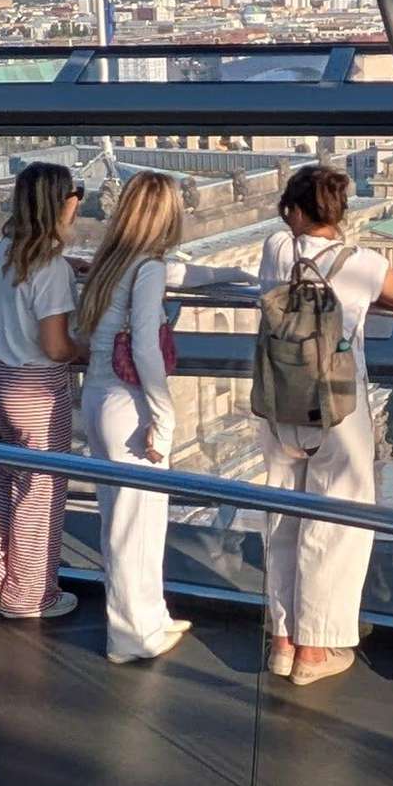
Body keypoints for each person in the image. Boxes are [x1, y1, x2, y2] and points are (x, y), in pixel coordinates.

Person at [75, 171, 254, 664]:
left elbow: (182, 276)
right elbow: (145, 348)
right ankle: (130, 635)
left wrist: (235, 274)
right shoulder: (147, 268)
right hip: (130, 403)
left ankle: (148, 616)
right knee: (137, 524)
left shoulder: (115, 261)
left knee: (124, 519)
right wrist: (165, 418)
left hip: (98, 397)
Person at [255, 166, 393, 685]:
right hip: (339, 409)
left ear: (293, 210)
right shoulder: (362, 262)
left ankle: (282, 642)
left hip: (279, 402)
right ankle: (314, 650)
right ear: (340, 212)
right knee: (335, 526)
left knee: (282, 517)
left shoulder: (277, 249)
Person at [0, 162, 87, 620]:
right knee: (40, 492)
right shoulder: (49, 268)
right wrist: (90, 350)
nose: (78, 202)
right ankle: (29, 597)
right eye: (77, 194)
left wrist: (67, 265)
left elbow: (27, 280)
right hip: (38, 391)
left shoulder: (6, 248)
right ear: (63, 203)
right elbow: (56, 347)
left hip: (0, 379)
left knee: (10, 476)